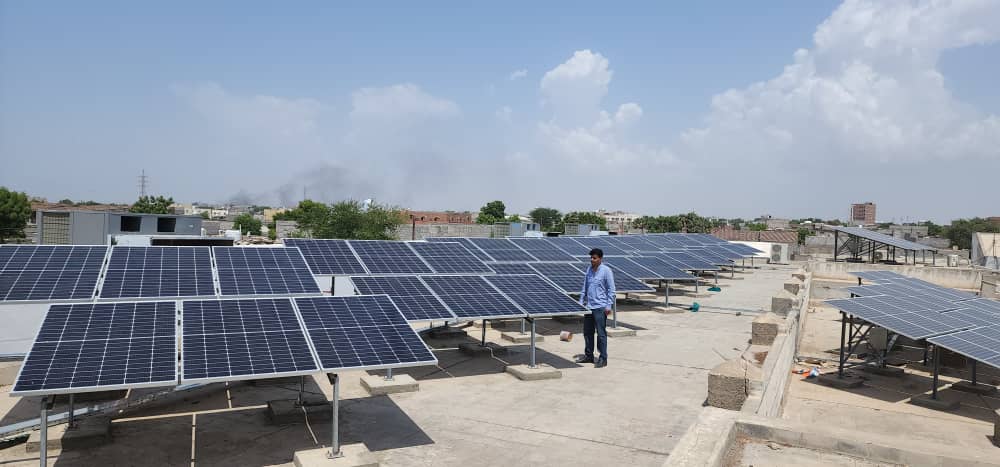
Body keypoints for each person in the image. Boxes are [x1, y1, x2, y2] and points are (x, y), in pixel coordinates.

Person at [576, 248, 615, 368]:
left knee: (601, 334)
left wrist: (608, 306)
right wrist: (581, 300)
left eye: (594, 258)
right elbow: (585, 286)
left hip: (600, 307)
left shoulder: (606, 271)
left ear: (600, 259)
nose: (592, 260)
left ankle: (603, 358)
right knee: (587, 332)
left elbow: (611, 290)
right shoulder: (589, 270)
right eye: (591, 258)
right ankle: (589, 356)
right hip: (589, 306)